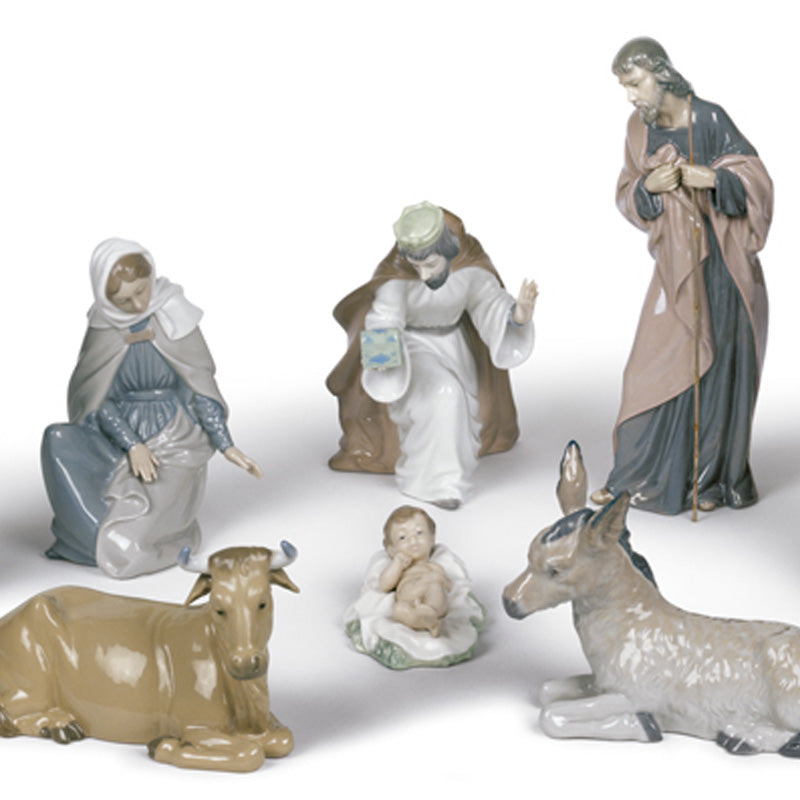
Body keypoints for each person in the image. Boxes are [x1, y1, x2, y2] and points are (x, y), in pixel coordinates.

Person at [591, 38, 772, 514]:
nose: (630, 96)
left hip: (722, 267)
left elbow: (757, 183)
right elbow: (627, 192)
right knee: (650, 366)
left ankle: (706, 481)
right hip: (676, 266)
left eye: (635, 84)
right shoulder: (637, 129)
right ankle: (633, 476)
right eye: (625, 87)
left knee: (715, 369)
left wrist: (710, 179)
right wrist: (648, 187)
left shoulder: (709, 118)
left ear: (661, 73)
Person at [41, 238, 262, 578]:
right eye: (123, 300)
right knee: (57, 438)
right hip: (117, 434)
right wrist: (133, 445)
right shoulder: (103, 328)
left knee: (140, 516)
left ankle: (130, 543)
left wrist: (226, 444)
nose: (137, 304)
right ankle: (86, 540)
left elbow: (199, 387)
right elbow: (99, 399)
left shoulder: (175, 316)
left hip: (175, 437)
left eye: (142, 291)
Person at [327, 202, 537, 509]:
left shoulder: (470, 270)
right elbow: (383, 319)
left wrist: (516, 317)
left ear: (450, 252)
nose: (423, 275)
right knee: (443, 394)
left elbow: (489, 303)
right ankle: (433, 483)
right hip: (414, 348)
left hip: (457, 347)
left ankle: (454, 465)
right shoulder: (397, 279)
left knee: (462, 407)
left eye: (431, 265)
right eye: (416, 266)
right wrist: (383, 360)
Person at [379, 505, 452, 637]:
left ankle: (430, 612)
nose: (413, 540)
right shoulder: (400, 569)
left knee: (435, 586)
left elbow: (448, 586)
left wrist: (435, 578)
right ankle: (425, 621)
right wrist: (397, 563)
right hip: (409, 601)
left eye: (419, 533)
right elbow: (384, 585)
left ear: (432, 539)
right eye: (402, 537)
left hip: (432, 599)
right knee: (399, 609)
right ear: (392, 549)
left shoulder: (433, 567)